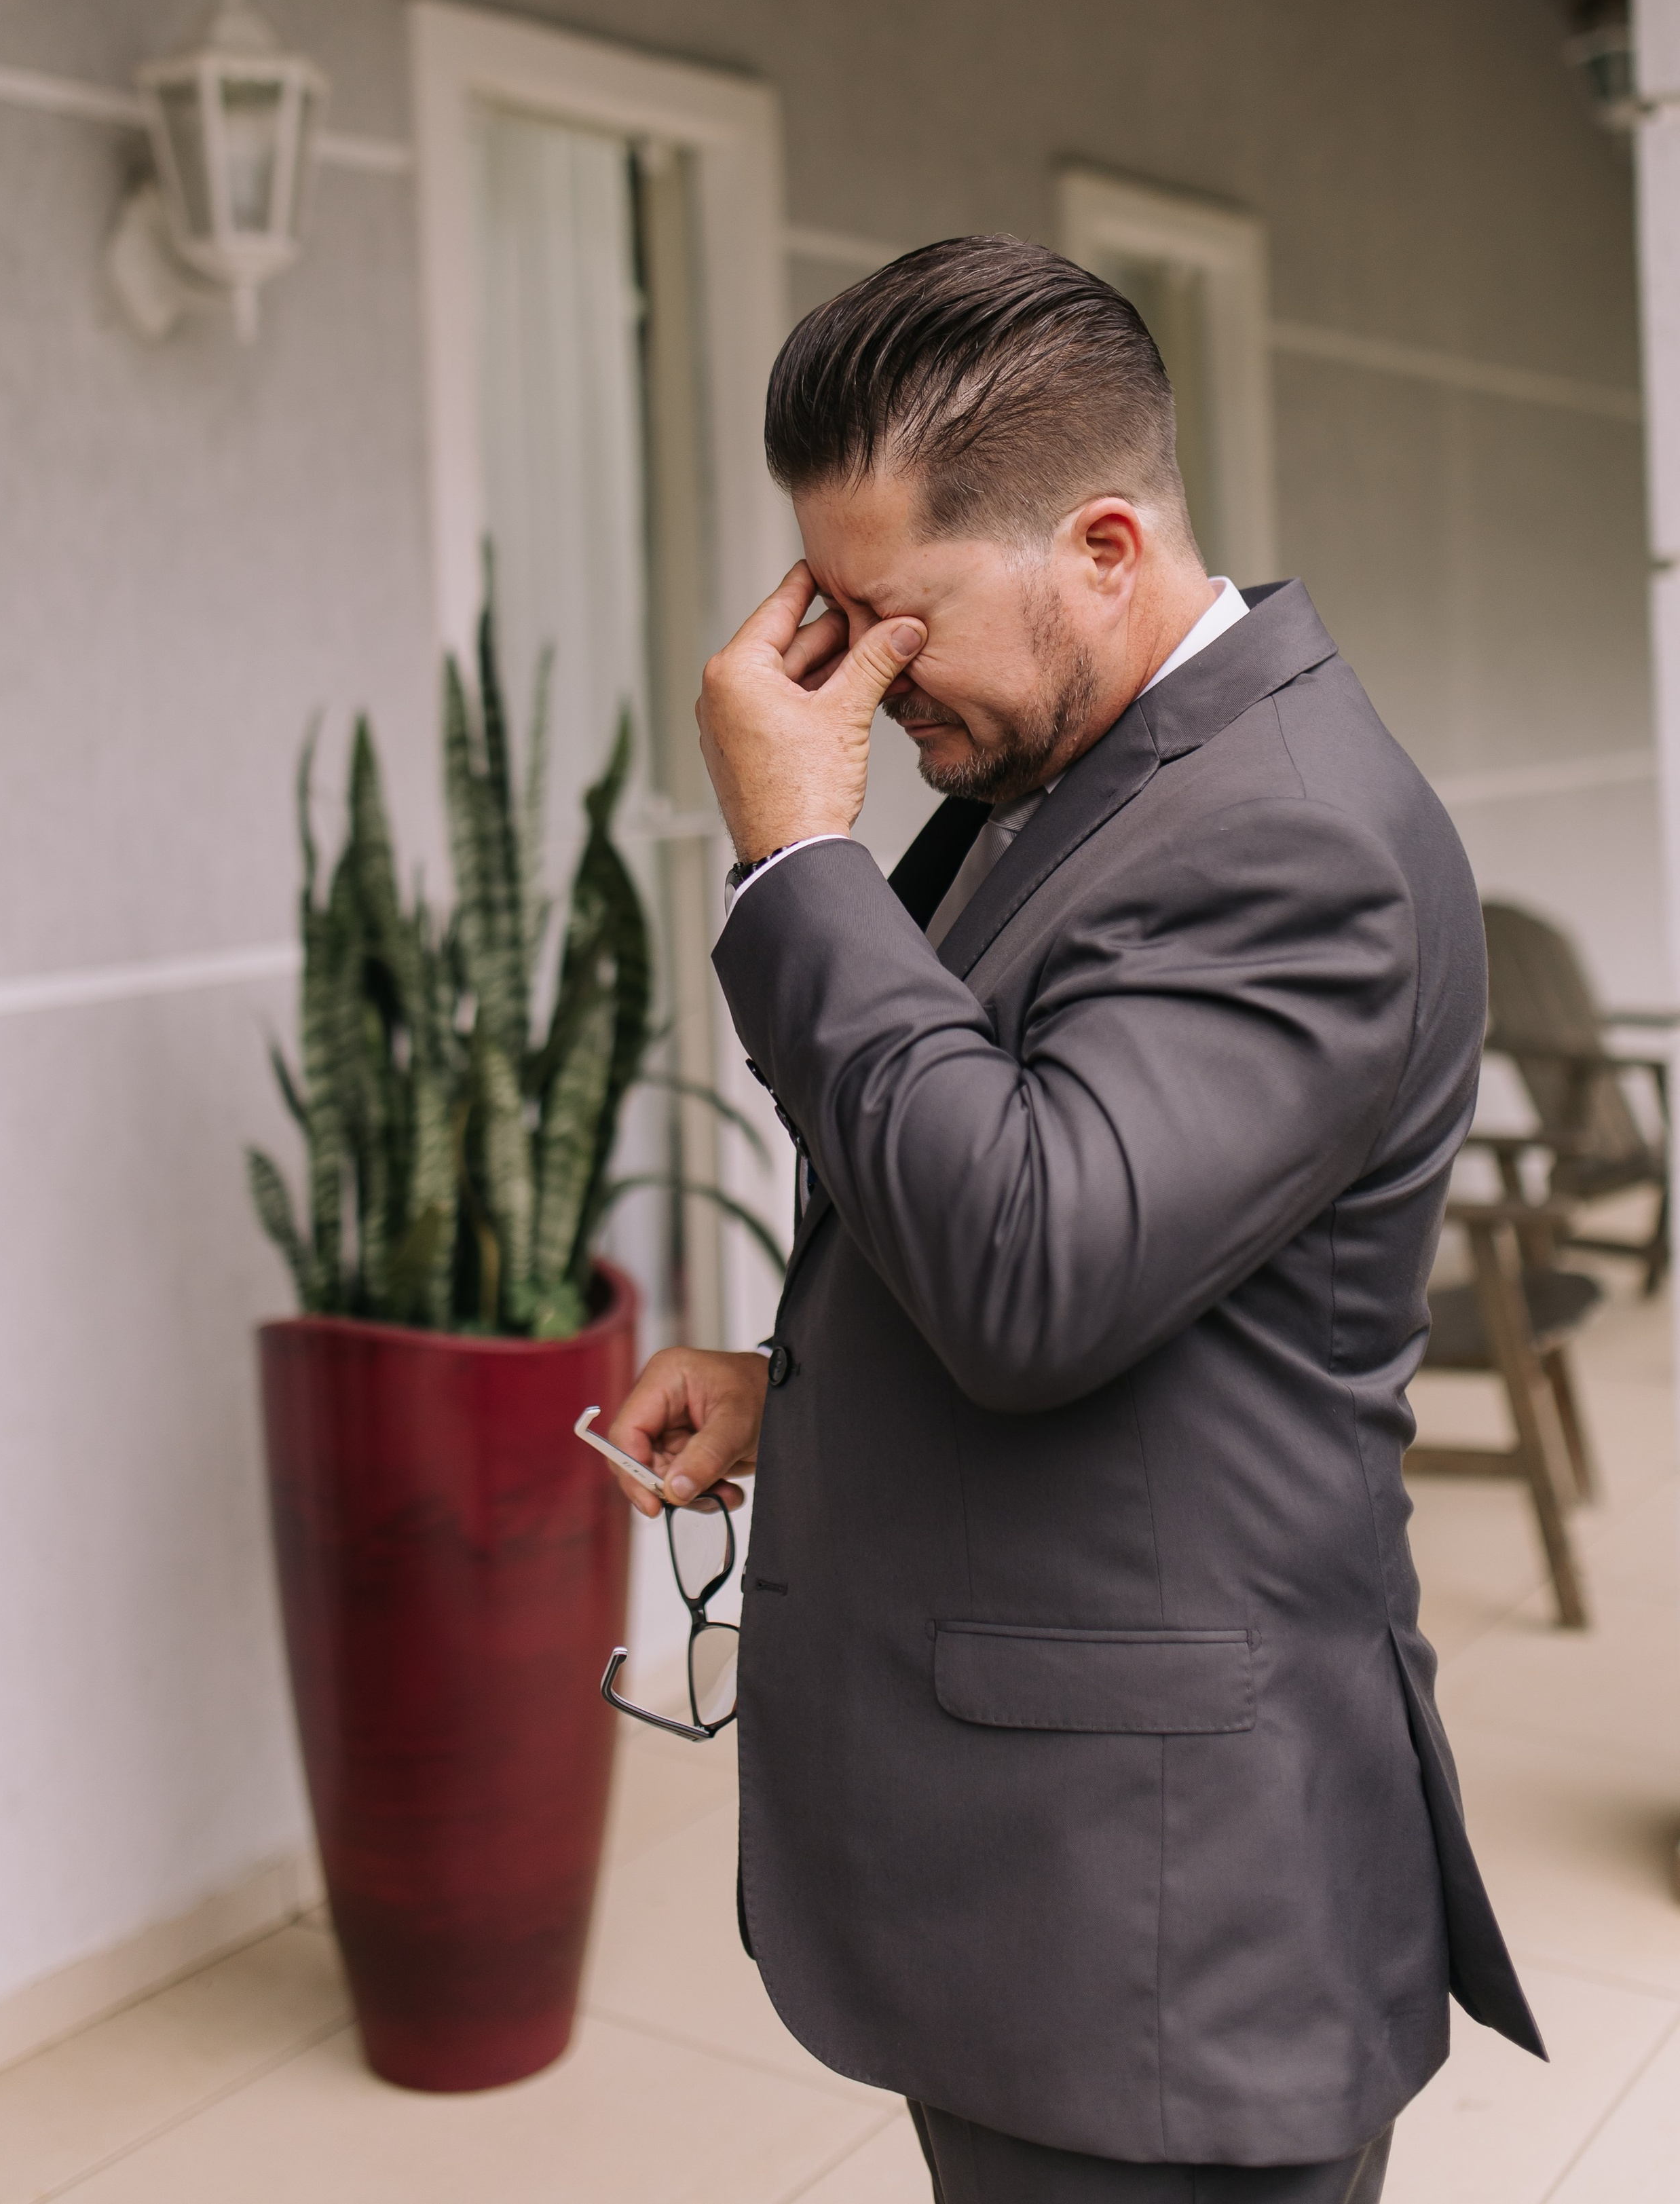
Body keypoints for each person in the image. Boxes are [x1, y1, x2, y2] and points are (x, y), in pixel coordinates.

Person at [601, 236, 1542, 2202]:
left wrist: (791, 857)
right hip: (1060, 1904)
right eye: (824, 613)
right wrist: (804, 1382)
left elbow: (1033, 1266)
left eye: (889, 616)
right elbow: (1085, 1223)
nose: (849, 674)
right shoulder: (1070, 765)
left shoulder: (1292, 837)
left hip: (1168, 1938)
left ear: (1104, 546)